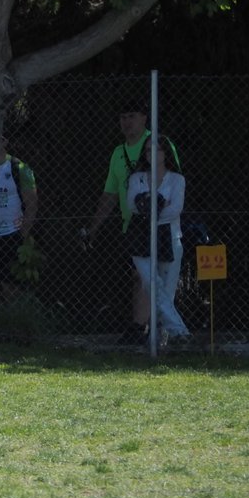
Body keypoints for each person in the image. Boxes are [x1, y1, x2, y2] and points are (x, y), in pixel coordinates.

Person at [83, 101, 181, 343]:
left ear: (144, 118)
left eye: (132, 116)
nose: (127, 122)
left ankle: (157, 329)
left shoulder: (159, 144)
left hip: (162, 227)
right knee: (140, 276)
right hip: (134, 226)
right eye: (123, 117)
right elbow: (110, 195)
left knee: (155, 279)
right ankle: (145, 328)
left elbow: (174, 179)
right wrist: (93, 228)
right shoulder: (118, 153)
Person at [126, 136, 190, 344]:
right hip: (141, 238)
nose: (151, 154)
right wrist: (155, 206)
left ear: (166, 153)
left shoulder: (177, 179)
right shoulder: (137, 178)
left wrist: (150, 211)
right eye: (147, 150)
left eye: (156, 150)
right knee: (153, 284)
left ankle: (161, 339)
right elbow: (132, 205)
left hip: (169, 237)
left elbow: (175, 209)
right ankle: (181, 332)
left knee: (166, 291)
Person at [0, 135, 38, 303]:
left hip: (12, 234)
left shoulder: (19, 167)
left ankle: (14, 322)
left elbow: (32, 203)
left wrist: (23, 233)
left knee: (10, 288)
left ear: (5, 141)